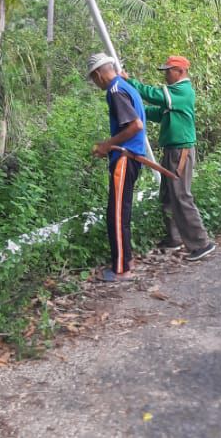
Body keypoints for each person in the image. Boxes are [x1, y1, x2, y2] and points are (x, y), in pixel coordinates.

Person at [124, 55, 215, 262]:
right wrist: (135, 109)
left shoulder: (182, 91)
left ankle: (202, 243)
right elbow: (158, 112)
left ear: (180, 71)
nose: (165, 74)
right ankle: (174, 238)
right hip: (172, 150)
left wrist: (130, 82)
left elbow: (154, 95)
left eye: (168, 71)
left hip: (180, 151)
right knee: (167, 195)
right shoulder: (174, 95)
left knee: (181, 195)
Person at [86, 53, 148, 282]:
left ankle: (121, 268)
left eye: (94, 79)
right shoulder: (124, 85)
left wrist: (106, 146)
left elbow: (135, 126)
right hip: (130, 157)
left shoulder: (115, 91)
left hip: (125, 158)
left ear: (98, 74)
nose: (96, 84)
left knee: (117, 214)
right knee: (121, 211)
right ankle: (127, 260)